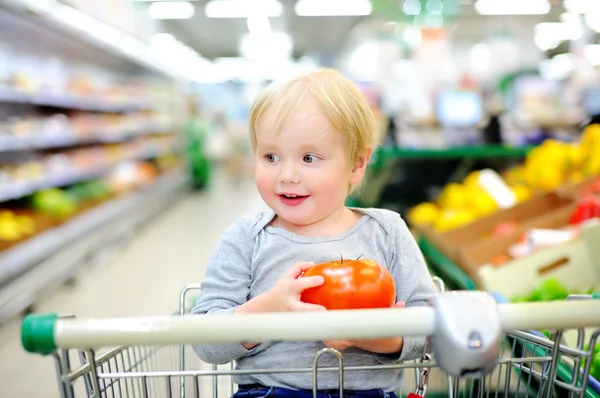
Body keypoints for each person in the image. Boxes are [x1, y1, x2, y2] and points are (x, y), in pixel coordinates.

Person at [190, 68, 437, 398]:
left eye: (309, 157)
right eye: (271, 156)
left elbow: (429, 325)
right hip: (270, 393)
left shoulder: (387, 232)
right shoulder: (245, 238)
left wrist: (371, 336)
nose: (287, 175)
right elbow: (206, 341)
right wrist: (269, 308)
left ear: (356, 165)